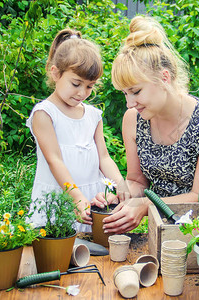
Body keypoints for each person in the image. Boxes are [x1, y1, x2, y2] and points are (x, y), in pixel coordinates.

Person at [94, 16, 199, 234]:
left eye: (135, 91)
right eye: (125, 93)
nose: (129, 103)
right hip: (163, 222)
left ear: (164, 77)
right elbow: (136, 180)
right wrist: (118, 196)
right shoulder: (133, 119)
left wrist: (145, 205)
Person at [26, 29, 129, 233]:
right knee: (57, 251)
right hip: (61, 196)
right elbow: (54, 160)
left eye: (90, 86)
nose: (82, 93)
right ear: (55, 73)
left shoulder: (93, 115)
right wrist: (76, 196)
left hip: (91, 198)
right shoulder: (45, 113)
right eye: (76, 84)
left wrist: (120, 183)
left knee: (93, 253)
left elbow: (104, 157)